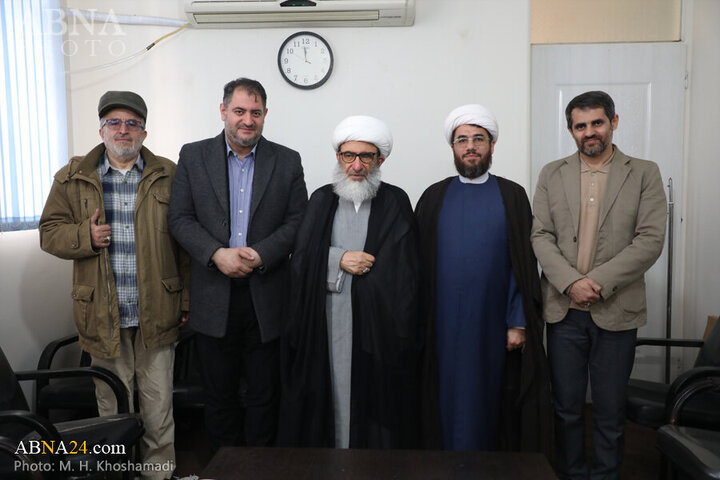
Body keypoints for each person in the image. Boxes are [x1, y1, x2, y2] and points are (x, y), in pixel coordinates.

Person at [39, 91, 188, 480]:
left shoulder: (169, 174)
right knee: (113, 404)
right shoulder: (71, 178)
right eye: (115, 123)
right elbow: (48, 233)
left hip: (157, 309)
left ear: (144, 130)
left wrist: (186, 298)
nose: (124, 130)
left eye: (132, 123)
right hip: (101, 313)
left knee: (159, 405)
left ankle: (158, 475)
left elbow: (186, 243)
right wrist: (83, 237)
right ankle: (117, 473)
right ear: (101, 129)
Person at [531, 90, 667, 479]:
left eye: (597, 123)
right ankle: (571, 473)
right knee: (567, 408)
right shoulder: (551, 174)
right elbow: (540, 235)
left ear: (614, 122)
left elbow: (650, 239)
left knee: (609, 411)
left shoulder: (643, 172)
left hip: (617, 311)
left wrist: (597, 282)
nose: (589, 132)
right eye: (580, 126)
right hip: (564, 310)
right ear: (571, 130)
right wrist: (572, 282)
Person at [167, 78, 307, 451]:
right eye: (240, 111)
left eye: (256, 113)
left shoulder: (287, 160)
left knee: (264, 397)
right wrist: (217, 254)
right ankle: (222, 469)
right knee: (219, 398)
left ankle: (261, 470)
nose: (248, 120)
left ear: (265, 115)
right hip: (213, 296)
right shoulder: (193, 156)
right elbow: (179, 219)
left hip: (266, 299)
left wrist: (261, 253)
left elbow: (298, 222)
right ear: (223, 111)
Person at [278, 115, 423, 449]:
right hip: (327, 322)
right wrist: (338, 259)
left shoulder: (396, 201)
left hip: (379, 330)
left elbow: (408, 272)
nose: (356, 165)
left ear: (380, 160)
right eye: (348, 156)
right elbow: (300, 259)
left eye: (366, 157)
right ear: (339, 157)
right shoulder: (321, 199)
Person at [415, 104, 552, 453]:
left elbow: (524, 264)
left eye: (479, 138)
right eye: (462, 140)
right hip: (441, 325)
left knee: (489, 400)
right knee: (442, 397)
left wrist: (519, 323)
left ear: (492, 146)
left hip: (492, 325)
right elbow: (416, 265)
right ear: (453, 148)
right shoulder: (433, 197)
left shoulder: (512, 196)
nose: (470, 146)